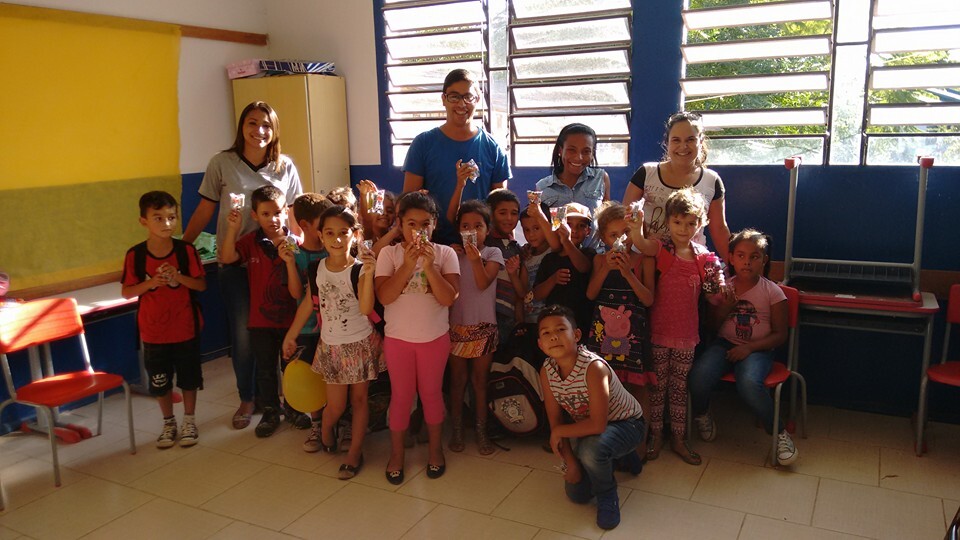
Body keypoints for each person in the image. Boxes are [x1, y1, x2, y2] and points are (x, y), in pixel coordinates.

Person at [182, 101, 303, 429]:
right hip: (236, 264)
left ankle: (280, 399)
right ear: (241, 126)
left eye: (266, 125)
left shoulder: (285, 166)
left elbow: (294, 215)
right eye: (252, 123)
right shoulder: (222, 163)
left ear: (274, 130)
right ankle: (248, 398)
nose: (259, 130)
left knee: (280, 331)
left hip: (275, 264)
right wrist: (182, 247)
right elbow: (205, 210)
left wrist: (302, 249)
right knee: (245, 335)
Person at [283, 206, 385, 478]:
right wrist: (291, 334)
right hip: (331, 347)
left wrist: (369, 275)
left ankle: (354, 453)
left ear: (355, 235)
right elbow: (309, 303)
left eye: (343, 233)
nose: (337, 239)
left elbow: (366, 308)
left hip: (359, 344)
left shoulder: (360, 269)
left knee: (359, 400)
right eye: (329, 233)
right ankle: (327, 429)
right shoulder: (316, 268)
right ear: (320, 235)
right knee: (336, 406)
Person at [688, 229, 799, 466]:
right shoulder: (724, 287)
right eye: (740, 256)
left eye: (754, 256)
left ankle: (779, 432)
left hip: (758, 349)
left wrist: (749, 349)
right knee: (698, 377)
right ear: (731, 258)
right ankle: (702, 414)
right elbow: (711, 327)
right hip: (724, 344)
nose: (747, 262)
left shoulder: (773, 292)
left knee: (749, 383)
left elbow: (780, 335)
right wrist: (725, 308)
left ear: (764, 260)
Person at [631, 187, 724, 465]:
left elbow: (714, 297)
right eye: (678, 221)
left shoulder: (704, 257)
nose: (683, 229)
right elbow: (641, 244)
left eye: (691, 223)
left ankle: (679, 439)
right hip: (658, 333)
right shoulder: (662, 248)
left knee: (679, 388)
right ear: (668, 221)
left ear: (701, 223)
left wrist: (721, 288)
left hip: (687, 336)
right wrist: (636, 226)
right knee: (657, 388)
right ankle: (656, 436)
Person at [375, 192, 460, 484]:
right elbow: (385, 296)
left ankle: (435, 451)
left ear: (434, 224)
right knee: (401, 397)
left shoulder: (445, 254)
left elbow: (448, 298)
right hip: (398, 340)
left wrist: (429, 267)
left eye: (425, 223)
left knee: (431, 394)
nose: (419, 230)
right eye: (411, 224)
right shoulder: (389, 254)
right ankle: (396, 454)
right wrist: (408, 266)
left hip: (434, 339)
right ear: (400, 225)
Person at [538, 304, 645, 530]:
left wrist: (559, 432)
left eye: (560, 329)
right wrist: (570, 463)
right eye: (546, 333)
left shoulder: (593, 368)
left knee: (591, 450)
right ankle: (623, 457)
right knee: (578, 494)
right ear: (540, 344)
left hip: (627, 424)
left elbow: (597, 425)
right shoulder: (547, 371)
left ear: (576, 335)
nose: (553, 337)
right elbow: (555, 420)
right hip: (590, 428)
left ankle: (608, 495)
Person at [121, 191, 207, 448]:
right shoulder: (135, 255)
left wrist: (178, 277)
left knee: (189, 378)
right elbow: (127, 292)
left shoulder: (186, 251)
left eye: (171, 217)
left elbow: (201, 285)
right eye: (158, 218)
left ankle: (189, 420)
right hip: (153, 332)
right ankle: (168, 422)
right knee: (160, 381)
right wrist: (151, 283)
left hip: (185, 328)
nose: (166, 223)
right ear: (143, 221)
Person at [220, 185, 301, 438]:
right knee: (265, 370)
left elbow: (298, 287)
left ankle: (294, 408)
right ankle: (270, 411)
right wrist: (233, 228)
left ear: (286, 212)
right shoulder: (250, 242)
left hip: (290, 321)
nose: (273, 219)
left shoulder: (295, 243)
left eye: (277, 213)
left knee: (291, 368)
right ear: (254, 216)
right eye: (266, 214)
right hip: (260, 321)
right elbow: (227, 257)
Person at [402, 68, 511, 245]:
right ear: (443, 99)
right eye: (454, 97)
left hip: (481, 248)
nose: (462, 104)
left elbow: (502, 205)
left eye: (468, 97)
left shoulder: (493, 147)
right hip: (434, 246)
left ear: (478, 99)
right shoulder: (423, 144)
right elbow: (409, 204)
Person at [585, 201, 656, 459]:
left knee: (638, 387)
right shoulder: (599, 260)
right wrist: (606, 267)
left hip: (634, 334)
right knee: (606, 386)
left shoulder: (644, 260)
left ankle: (639, 444)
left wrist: (628, 273)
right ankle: (608, 441)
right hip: (603, 334)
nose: (620, 240)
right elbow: (591, 294)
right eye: (613, 235)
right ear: (603, 238)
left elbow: (648, 299)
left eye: (625, 233)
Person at [622, 111, 731, 258]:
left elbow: (719, 229)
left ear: (700, 141)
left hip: (691, 261)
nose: (683, 146)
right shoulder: (646, 173)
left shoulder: (712, 180)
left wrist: (732, 266)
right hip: (646, 259)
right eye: (676, 140)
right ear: (667, 143)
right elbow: (624, 220)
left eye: (690, 140)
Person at [448, 200, 504, 455]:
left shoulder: (492, 253)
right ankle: (457, 429)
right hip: (456, 327)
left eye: (478, 226)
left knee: (480, 382)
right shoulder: (452, 255)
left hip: (484, 327)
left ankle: (482, 431)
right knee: (457, 381)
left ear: (487, 229)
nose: (471, 231)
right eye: (465, 226)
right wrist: (452, 255)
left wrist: (474, 260)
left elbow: (482, 283)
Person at [289, 193, 333, 442]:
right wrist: (288, 264)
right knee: (312, 377)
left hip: (335, 329)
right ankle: (317, 423)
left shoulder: (334, 251)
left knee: (335, 377)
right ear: (305, 225)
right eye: (322, 224)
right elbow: (298, 294)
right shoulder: (295, 255)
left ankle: (337, 421)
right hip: (308, 329)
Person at [535, 123, 610, 249]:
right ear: (560, 150)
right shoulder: (542, 187)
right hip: (557, 258)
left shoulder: (601, 178)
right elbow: (540, 230)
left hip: (594, 256)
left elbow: (608, 222)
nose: (578, 157)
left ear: (592, 153)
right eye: (572, 150)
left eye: (586, 151)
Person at [533, 202, 595, 335]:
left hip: (582, 322)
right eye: (569, 224)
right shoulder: (549, 259)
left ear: (588, 231)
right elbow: (537, 294)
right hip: (554, 325)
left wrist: (566, 241)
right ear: (558, 226)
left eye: (581, 226)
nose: (574, 230)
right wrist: (553, 280)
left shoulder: (589, 253)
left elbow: (583, 267)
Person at [484, 189, 527, 344]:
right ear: (490, 213)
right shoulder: (484, 243)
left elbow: (520, 293)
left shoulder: (517, 249)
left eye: (514, 213)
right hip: (484, 315)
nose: (509, 218)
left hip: (508, 317)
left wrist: (519, 320)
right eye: (502, 213)